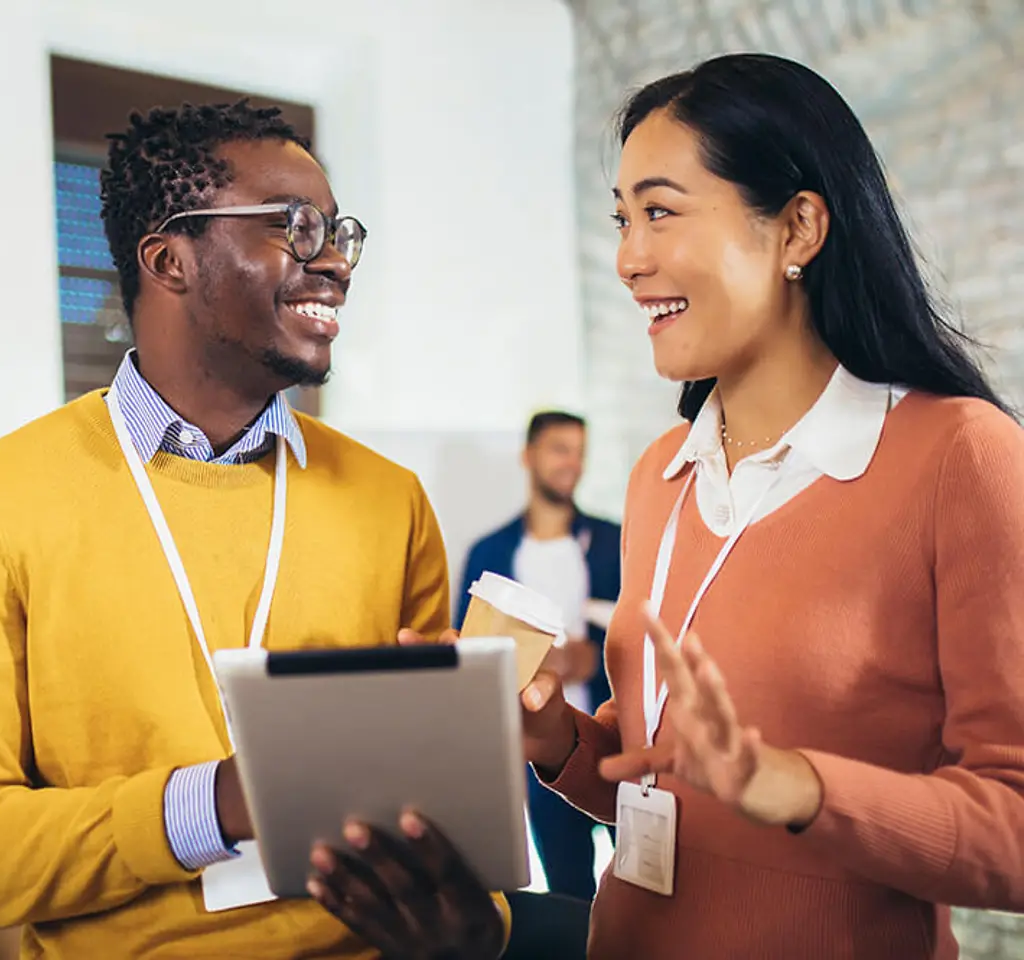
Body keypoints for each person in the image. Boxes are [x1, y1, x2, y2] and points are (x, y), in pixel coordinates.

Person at [306, 53, 1024, 959]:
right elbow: (657, 778)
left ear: (798, 228)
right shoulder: (661, 474)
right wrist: (555, 736)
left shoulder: (959, 456)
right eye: (622, 219)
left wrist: (795, 787)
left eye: (660, 212)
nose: (628, 259)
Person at [0, 101, 508, 958]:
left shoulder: (388, 500)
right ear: (169, 259)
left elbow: (441, 818)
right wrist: (211, 806)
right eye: (296, 226)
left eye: (339, 233)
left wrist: (476, 924)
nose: (334, 262)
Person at [457, 410, 621, 901]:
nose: (572, 463)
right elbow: (470, 653)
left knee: (643, 886)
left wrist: (595, 656)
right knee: (568, 894)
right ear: (528, 456)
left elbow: (652, 628)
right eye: (559, 449)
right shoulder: (490, 552)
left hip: (618, 743)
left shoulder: (615, 542)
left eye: (579, 452)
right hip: (541, 753)